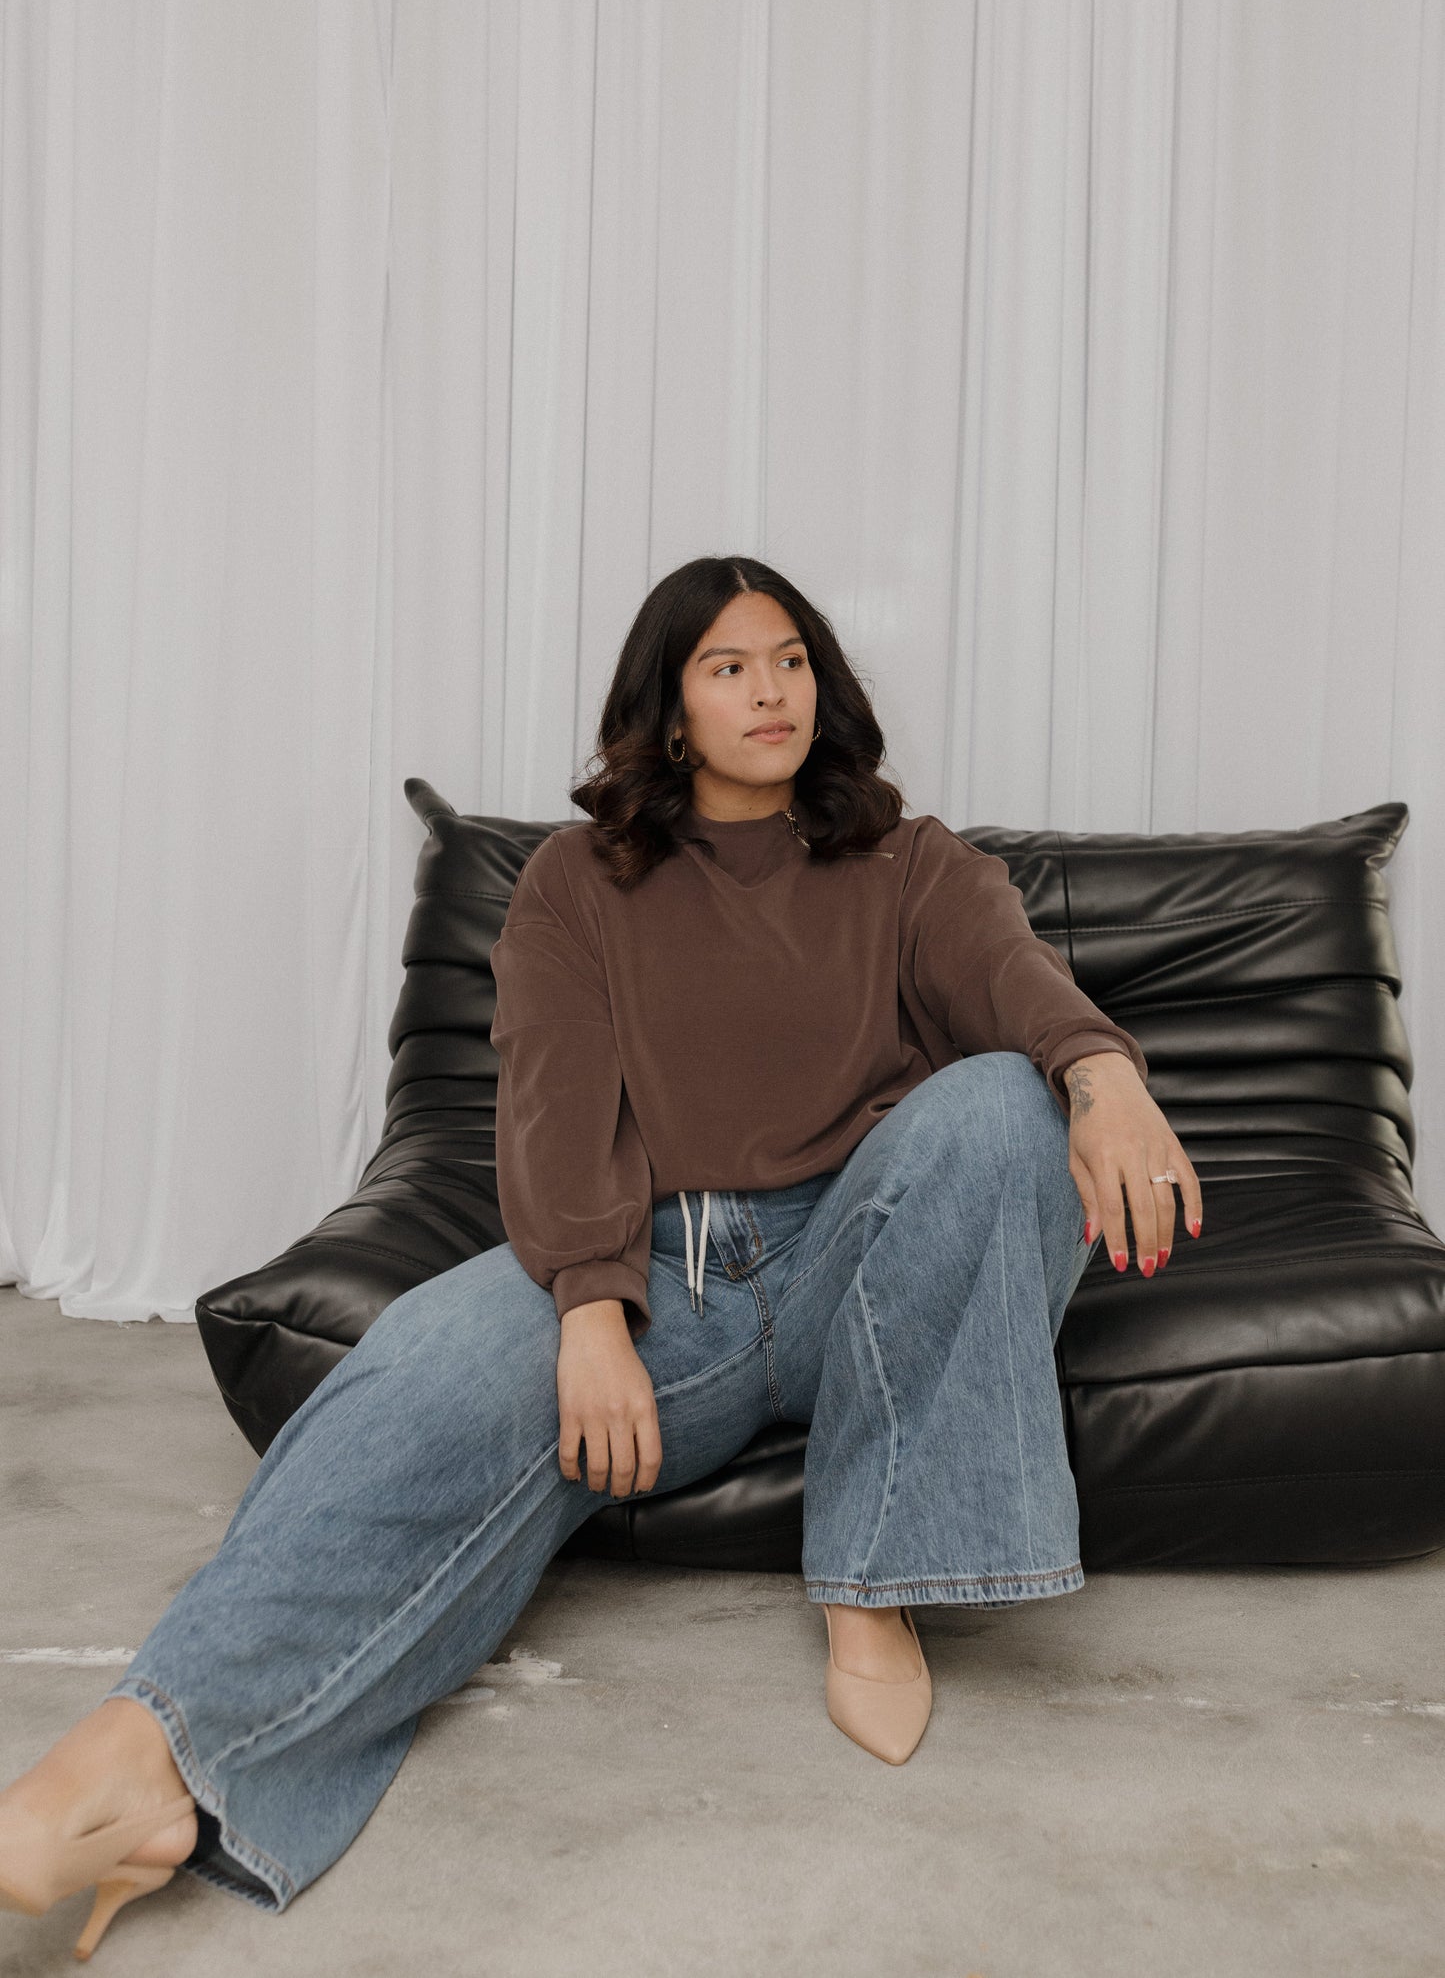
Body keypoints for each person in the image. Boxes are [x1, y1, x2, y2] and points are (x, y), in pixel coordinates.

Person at [0, 555, 1202, 1957]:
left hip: (864, 1269)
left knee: (1005, 1096)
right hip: (657, 1275)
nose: (771, 690)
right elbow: (554, 1105)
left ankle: (873, 1587)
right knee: (415, 1376)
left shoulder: (908, 863)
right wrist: (587, 1312)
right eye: (729, 666)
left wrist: (1101, 1075)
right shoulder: (574, 884)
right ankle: (147, 1760)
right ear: (669, 708)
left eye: (792, 660)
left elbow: (1014, 984)